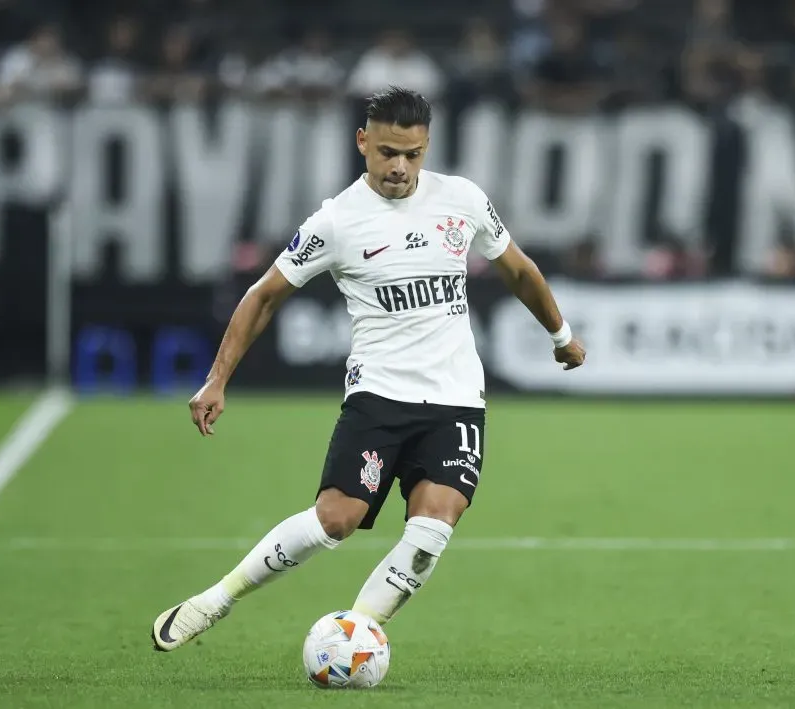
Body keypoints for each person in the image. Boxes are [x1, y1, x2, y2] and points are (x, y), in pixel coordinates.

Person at [151, 86, 586, 652]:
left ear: (427, 148)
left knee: (432, 531)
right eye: (387, 153)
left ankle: (352, 637)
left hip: (456, 399)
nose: (400, 168)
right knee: (335, 519)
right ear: (362, 143)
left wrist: (561, 335)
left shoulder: (462, 200)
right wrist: (217, 379)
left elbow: (520, 271)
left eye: (413, 154)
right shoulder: (337, 221)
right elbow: (263, 296)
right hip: (379, 397)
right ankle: (218, 598)